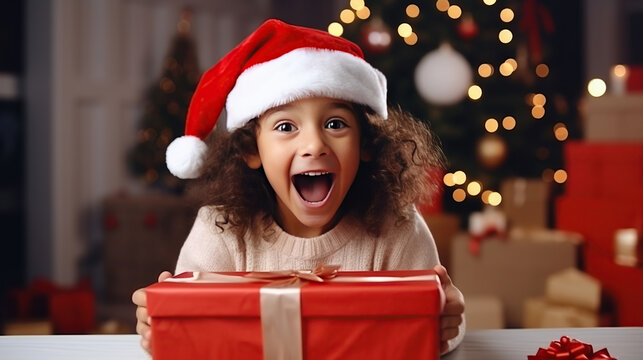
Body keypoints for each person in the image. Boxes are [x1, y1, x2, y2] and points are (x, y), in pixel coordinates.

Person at [132, 18, 465, 355]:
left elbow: (430, 328)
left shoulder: (398, 228)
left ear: (366, 144)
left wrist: (448, 321)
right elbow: (192, 338)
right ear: (251, 150)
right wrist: (161, 323)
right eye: (286, 126)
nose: (314, 145)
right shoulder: (220, 231)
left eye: (335, 124)